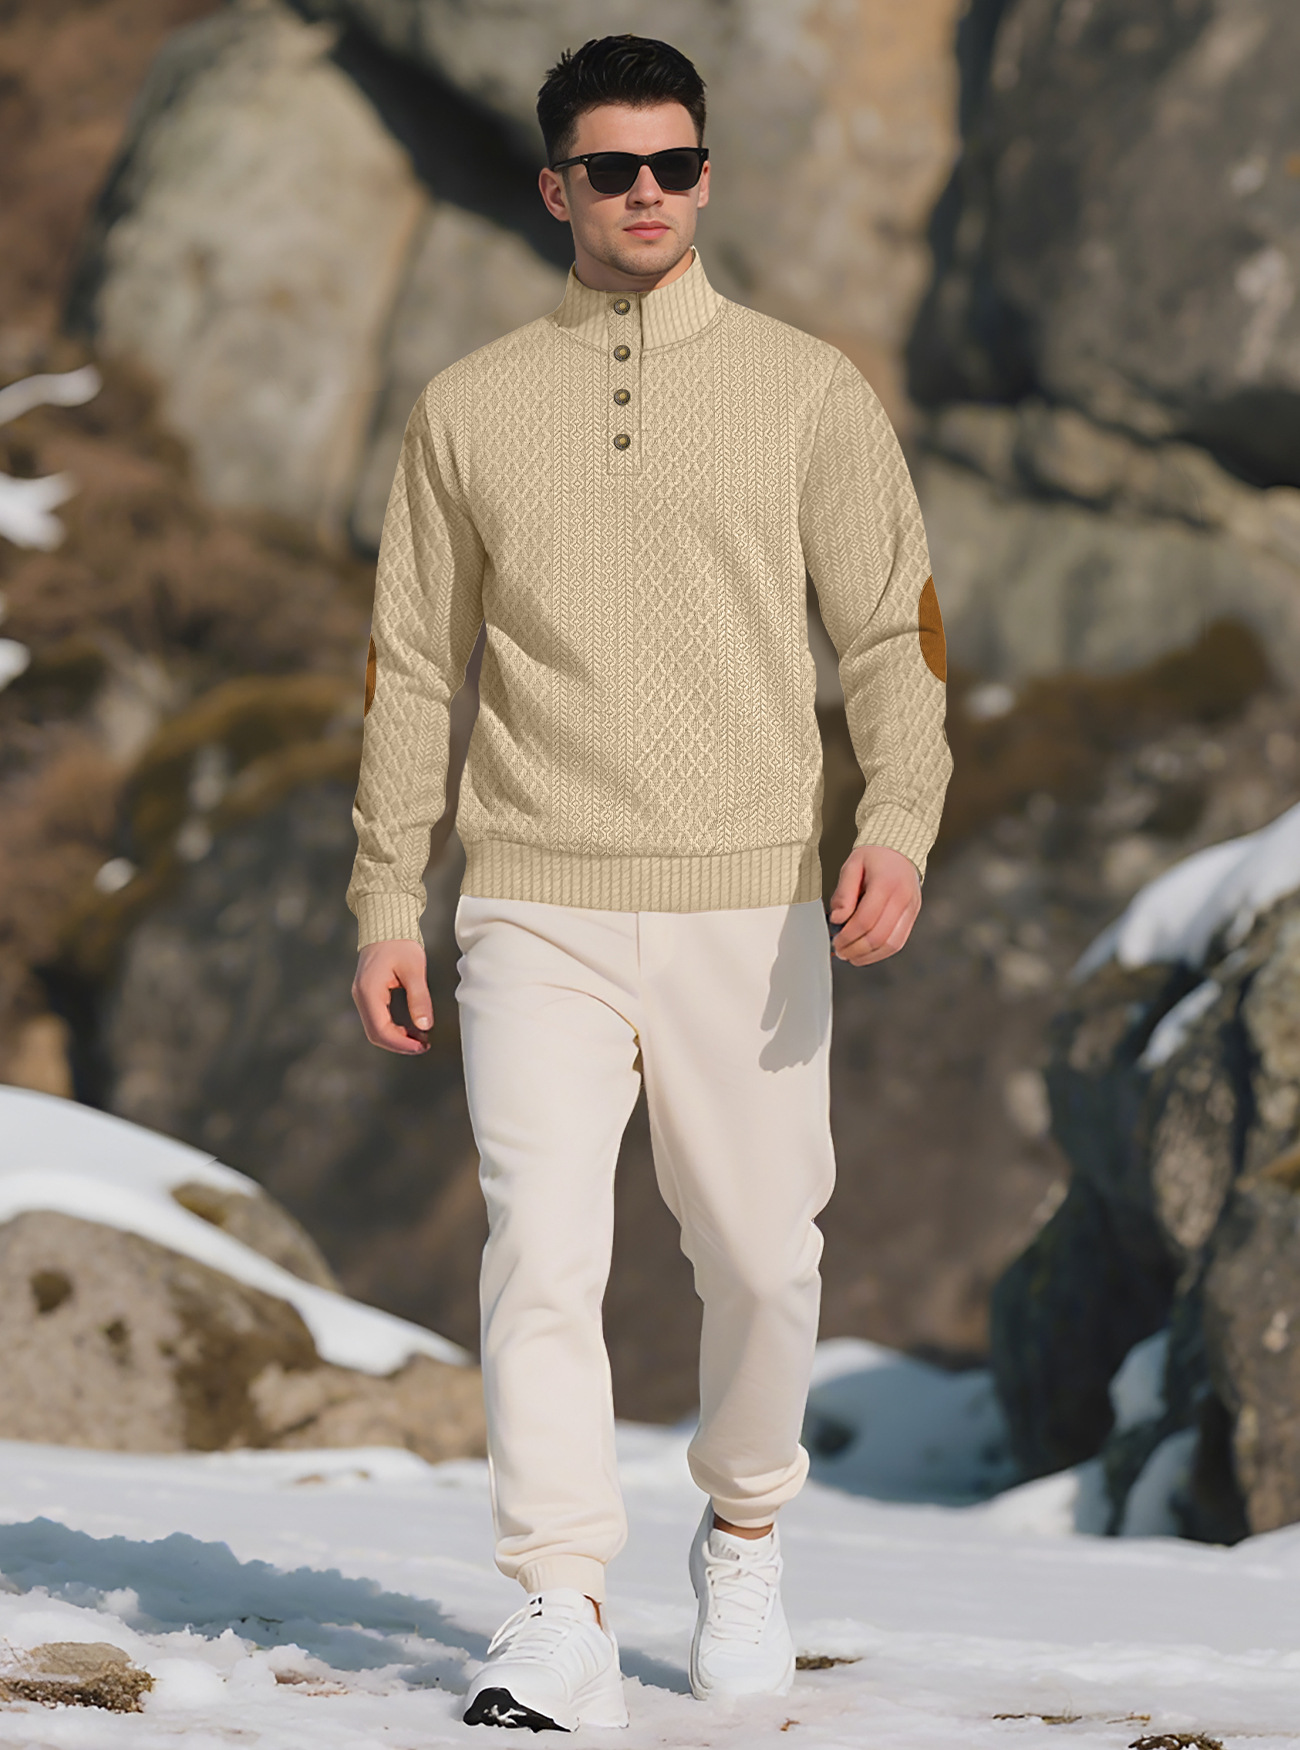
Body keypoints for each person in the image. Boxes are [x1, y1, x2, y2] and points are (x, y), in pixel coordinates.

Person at [348, 32, 952, 1733]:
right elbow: (411, 668)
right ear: (556, 188)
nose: (646, 194)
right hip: (529, 896)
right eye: (610, 168)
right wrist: (386, 894)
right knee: (541, 1251)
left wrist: (897, 820)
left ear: (705, 175)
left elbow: (894, 635)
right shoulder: (467, 407)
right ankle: (559, 1600)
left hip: (748, 897)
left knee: (762, 1257)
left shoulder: (808, 390)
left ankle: (744, 1532)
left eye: (674, 165)